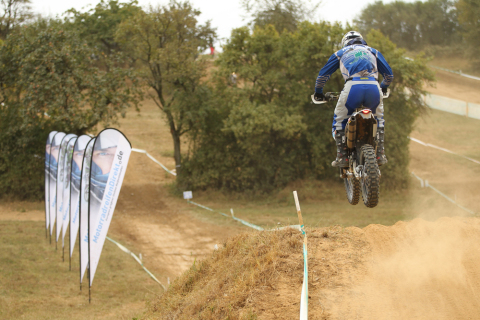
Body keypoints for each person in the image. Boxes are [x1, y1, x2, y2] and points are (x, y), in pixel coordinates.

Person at [313, 31, 393, 167]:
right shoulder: (373, 51)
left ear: (345, 43)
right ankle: (380, 153)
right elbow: (389, 75)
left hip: (352, 87)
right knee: (379, 119)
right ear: (362, 41)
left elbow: (323, 75)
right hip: (374, 87)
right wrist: (383, 87)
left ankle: (342, 156)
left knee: (339, 120)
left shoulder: (340, 53)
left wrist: (318, 93)